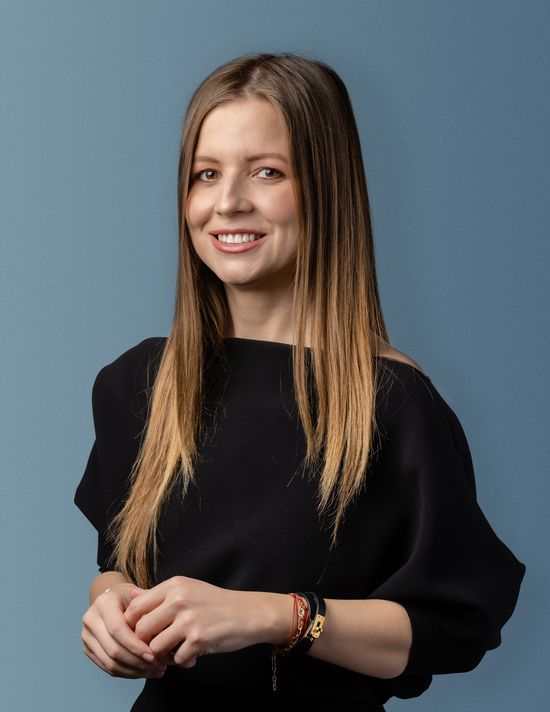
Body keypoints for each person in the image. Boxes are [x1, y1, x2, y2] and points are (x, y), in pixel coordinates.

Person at [74, 52, 526, 711]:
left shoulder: (392, 402)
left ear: (326, 189)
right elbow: (118, 566)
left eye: (267, 172)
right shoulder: (136, 384)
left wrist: (277, 616)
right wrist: (111, 607)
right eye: (206, 174)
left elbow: (452, 627)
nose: (228, 202)